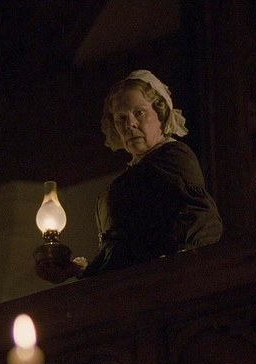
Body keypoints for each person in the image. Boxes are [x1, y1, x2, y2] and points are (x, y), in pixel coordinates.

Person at [37, 69, 223, 283]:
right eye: (121, 118)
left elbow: (201, 219)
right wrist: (77, 270)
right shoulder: (135, 173)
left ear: (160, 114)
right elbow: (122, 251)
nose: (129, 124)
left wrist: (179, 269)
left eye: (139, 112)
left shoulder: (173, 156)